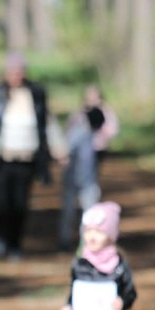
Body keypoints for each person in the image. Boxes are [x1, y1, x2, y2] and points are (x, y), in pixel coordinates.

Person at [0, 52, 57, 260]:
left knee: (20, 205)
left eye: (19, 71)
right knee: (1, 203)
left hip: (26, 159)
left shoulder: (36, 94)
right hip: (0, 159)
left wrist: (59, 151)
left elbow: (48, 125)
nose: (16, 75)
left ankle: (16, 244)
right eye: (12, 71)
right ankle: (0, 239)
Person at [57, 104, 105, 252]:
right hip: (72, 179)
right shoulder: (78, 133)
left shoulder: (94, 135)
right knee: (68, 213)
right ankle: (64, 242)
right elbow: (64, 153)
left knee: (90, 215)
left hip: (88, 181)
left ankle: (86, 245)